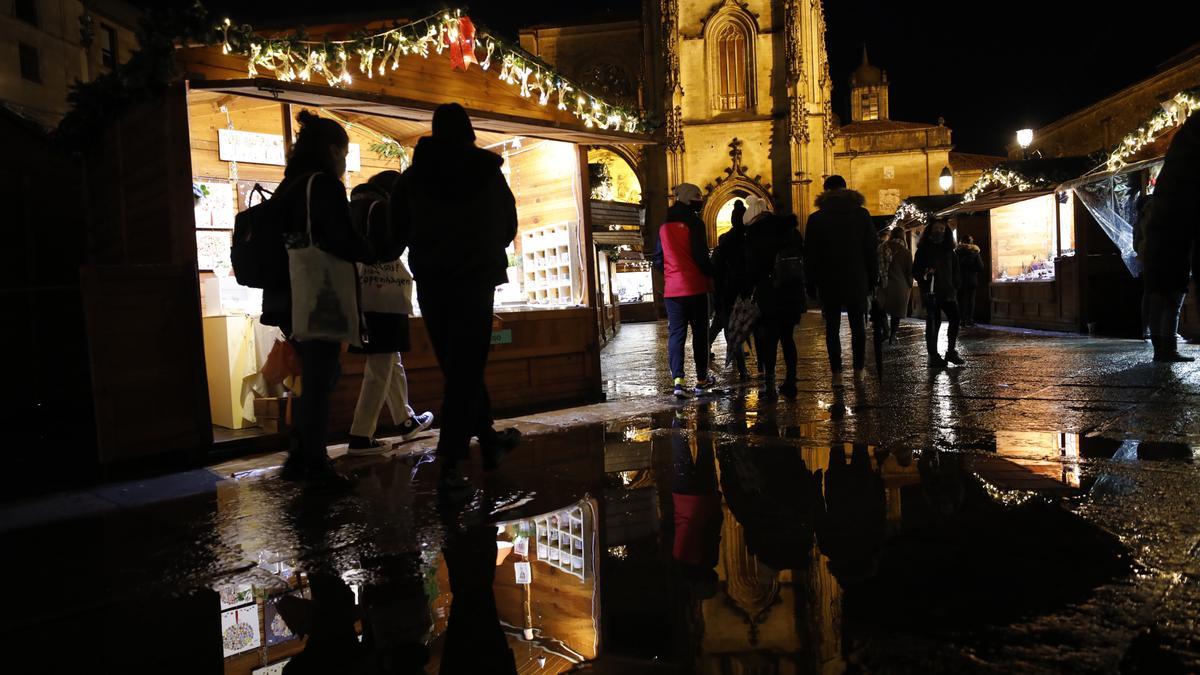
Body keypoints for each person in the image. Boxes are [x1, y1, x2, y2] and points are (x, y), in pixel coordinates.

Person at [390, 103, 522, 491]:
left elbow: (395, 234)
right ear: (468, 132)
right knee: (465, 368)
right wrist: (481, 251)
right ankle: (451, 460)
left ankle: (491, 440)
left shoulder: (411, 179)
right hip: (475, 281)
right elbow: (507, 225)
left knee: (457, 365)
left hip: (432, 283)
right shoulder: (487, 175)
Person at [263, 110, 384, 487]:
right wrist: (368, 249)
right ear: (333, 150)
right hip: (317, 293)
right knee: (320, 376)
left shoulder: (290, 185)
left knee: (315, 376)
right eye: (344, 153)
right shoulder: (323, 185)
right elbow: (337, 238)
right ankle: (313, 462)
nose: (344, 162)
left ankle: (301, 455)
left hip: (287, 293)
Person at [346, 171, 434, 455]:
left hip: (364, 294)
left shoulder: (356, 206)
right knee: (380, 366)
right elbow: (388, 249)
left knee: (389, 358)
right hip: (382, 298)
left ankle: (405, 420)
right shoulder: (382, 208)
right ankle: (361, 435)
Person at [804, 175, 878, 377]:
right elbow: (871, 249)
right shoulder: (862, 215)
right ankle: (859, 369)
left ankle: (836, 372)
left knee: (832, 327)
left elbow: (810, 253)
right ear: (846, 189)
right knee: (858, 325)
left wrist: (810, 282)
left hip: (829, 280)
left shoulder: (816, 218)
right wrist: (873, 278)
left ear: (825, 191)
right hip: (857, 278)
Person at [1142, 112, 1200, 362]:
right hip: (1172, 248)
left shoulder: (1172, 173)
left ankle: (1163, 349)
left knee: (1162, 302)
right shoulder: (1187, 163)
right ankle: (1166, 349)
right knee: (1169, 302)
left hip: (1165, 250)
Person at [652, 183, 715, 397]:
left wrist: (671, 274)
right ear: (690, 199)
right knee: (700, 334)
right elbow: (700, 256)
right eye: (698, 196)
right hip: (695, 287)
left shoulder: (663, 226)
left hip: (673, 292)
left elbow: (658, 260)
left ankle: (678, 382)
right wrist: (711, 273)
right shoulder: (695, 223)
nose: (700, 200)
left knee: (676, 335)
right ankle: (701, 380)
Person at [742, 197, 806, 397]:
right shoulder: (791, 230)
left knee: (769, 338)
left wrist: (747, 291)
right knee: (788, 337)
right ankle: (791, 379)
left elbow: (751, 267)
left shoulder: (755, 233)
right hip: (791, 291)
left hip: (768, 291)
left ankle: (769, 381)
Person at [914, 218, 964, 367]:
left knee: (955, 318)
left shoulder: (949, 250)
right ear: (930, 230)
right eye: (936, 228)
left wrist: (955, 285)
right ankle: (933, 355)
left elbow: (956, 269)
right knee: (933, 323)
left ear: (946, 231)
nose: (939, 231)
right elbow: (915, 271)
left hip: (948, 291)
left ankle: (951, 351)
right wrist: (925, 274)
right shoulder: (923, 250)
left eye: (942, 229)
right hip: (931, 292)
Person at [709, 200, 750, 379]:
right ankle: (749, 370)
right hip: (746, 293)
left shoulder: (723, 245)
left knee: (727, 327)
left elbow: (713, 271)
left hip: (726, 294)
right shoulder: (750, 241)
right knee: (736, 329)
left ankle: (742, 369)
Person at [876, 227, 913, 344]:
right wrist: (909, 285)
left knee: (880, 309)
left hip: (883, 284)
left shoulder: (882, 247)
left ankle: (885, 331)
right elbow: (910, 272)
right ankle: (892, 336)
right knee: (896, 313)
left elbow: (877, 265)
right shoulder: (906, 252)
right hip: (900, 286)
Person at [955, 234, 984, 327]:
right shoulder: (975, 252)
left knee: (960, 300)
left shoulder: (957, 252)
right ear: (971, 242)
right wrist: (973, 270)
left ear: (961, 241)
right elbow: (980, 267)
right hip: (971, 279)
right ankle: (970, 319)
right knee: (971, 300)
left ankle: (962, 320)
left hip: (959, 279)